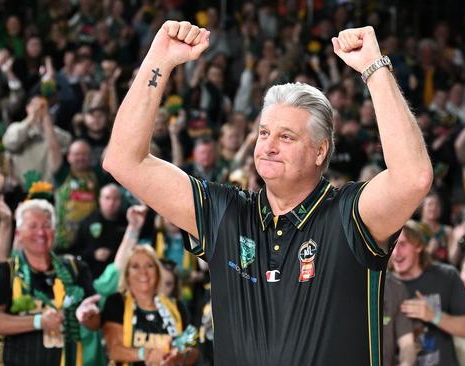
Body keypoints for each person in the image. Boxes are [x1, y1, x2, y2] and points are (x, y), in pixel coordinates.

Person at [103, 21, 433, 364]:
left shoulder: (350, 214)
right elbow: (123, 160)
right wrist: (159, 59)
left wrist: (374, 70)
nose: (268, 147)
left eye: (286, 137)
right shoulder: (224, 213)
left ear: (320, 151)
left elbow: (413, 178)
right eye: (264, 133)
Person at [0, 199, 101, 365]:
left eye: (46, 225)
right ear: (19, 233)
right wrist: (39, 321)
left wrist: (89, 316)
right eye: (33, 226)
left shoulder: (75, 268)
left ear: (55, 231)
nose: (41, 233)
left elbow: (96, 323)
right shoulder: (5, 271)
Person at [392, 220, 465, 366]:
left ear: (419, 246)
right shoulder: (383, 285)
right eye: (392, 245)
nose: (395, 252)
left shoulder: (446, 276)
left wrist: (433, 315)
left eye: (402, 244)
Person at [102, 245, 198, 365]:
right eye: (135, 266)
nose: (143, 272)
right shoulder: (116, 302)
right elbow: (114, 350)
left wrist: (178, 357)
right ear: (126, 274)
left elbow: (194, 351)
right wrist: (144, 354)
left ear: (158, 272)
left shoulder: (177, 307)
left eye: (149, 266)